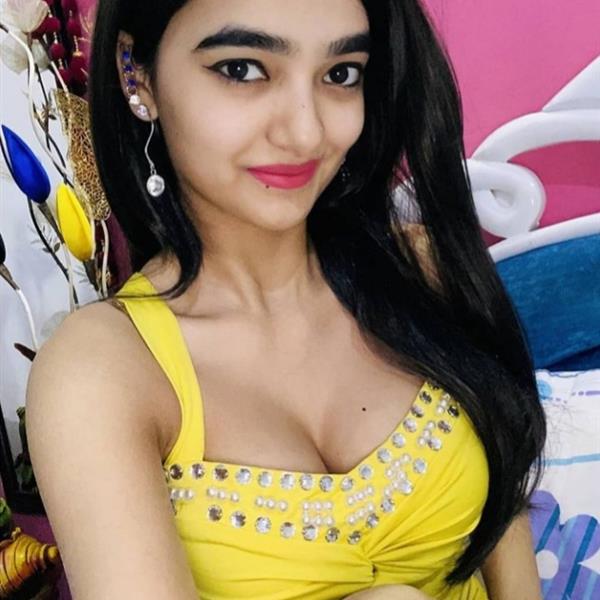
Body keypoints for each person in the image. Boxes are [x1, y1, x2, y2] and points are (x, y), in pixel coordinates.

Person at [25, 1, 546, 599]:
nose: (307, 133)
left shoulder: (421, 269)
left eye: (340, 74)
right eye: (243, 69)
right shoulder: (105, 372)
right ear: (135, 74)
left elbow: (506, 515)